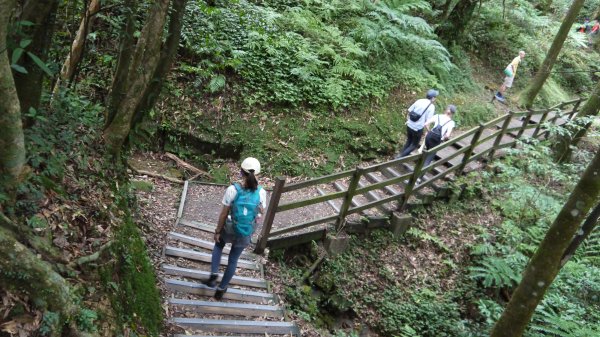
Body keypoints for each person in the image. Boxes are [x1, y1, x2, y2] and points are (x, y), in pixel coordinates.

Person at [202, 157, 267, 300]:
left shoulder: (233, 189)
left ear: (241, 172)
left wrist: (218, 231)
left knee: (219, 246)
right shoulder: (262, 193)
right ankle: (221, 288)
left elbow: (224, 213)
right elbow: (261, 212)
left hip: (229, 228)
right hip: (245, 232)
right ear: (258, 175)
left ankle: (214, 274)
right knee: (233, 260)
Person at [396, 89, 438, 158]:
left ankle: (401, 155)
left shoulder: (419, 101)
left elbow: (409, 111)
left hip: (409, 125)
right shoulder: (431, 107)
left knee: (409, 141)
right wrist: (428, 131)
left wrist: (408, 121)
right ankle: (400, 157)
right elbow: (427, 122)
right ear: (433, 98)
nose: (435, 99)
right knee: (414, 145)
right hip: (417, 128)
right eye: (435, 97)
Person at [420, 105, 456, 182]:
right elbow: (447, 135)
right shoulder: (451, 122)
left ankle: (418, 170)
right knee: (429, 159)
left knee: (426, 152)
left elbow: (426, 124)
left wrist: (429, 131)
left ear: (446, 110)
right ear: (452, 113)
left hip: (429, 137)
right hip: (436, 140)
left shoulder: (438, 116)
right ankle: (418, 178)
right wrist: (443, 139)